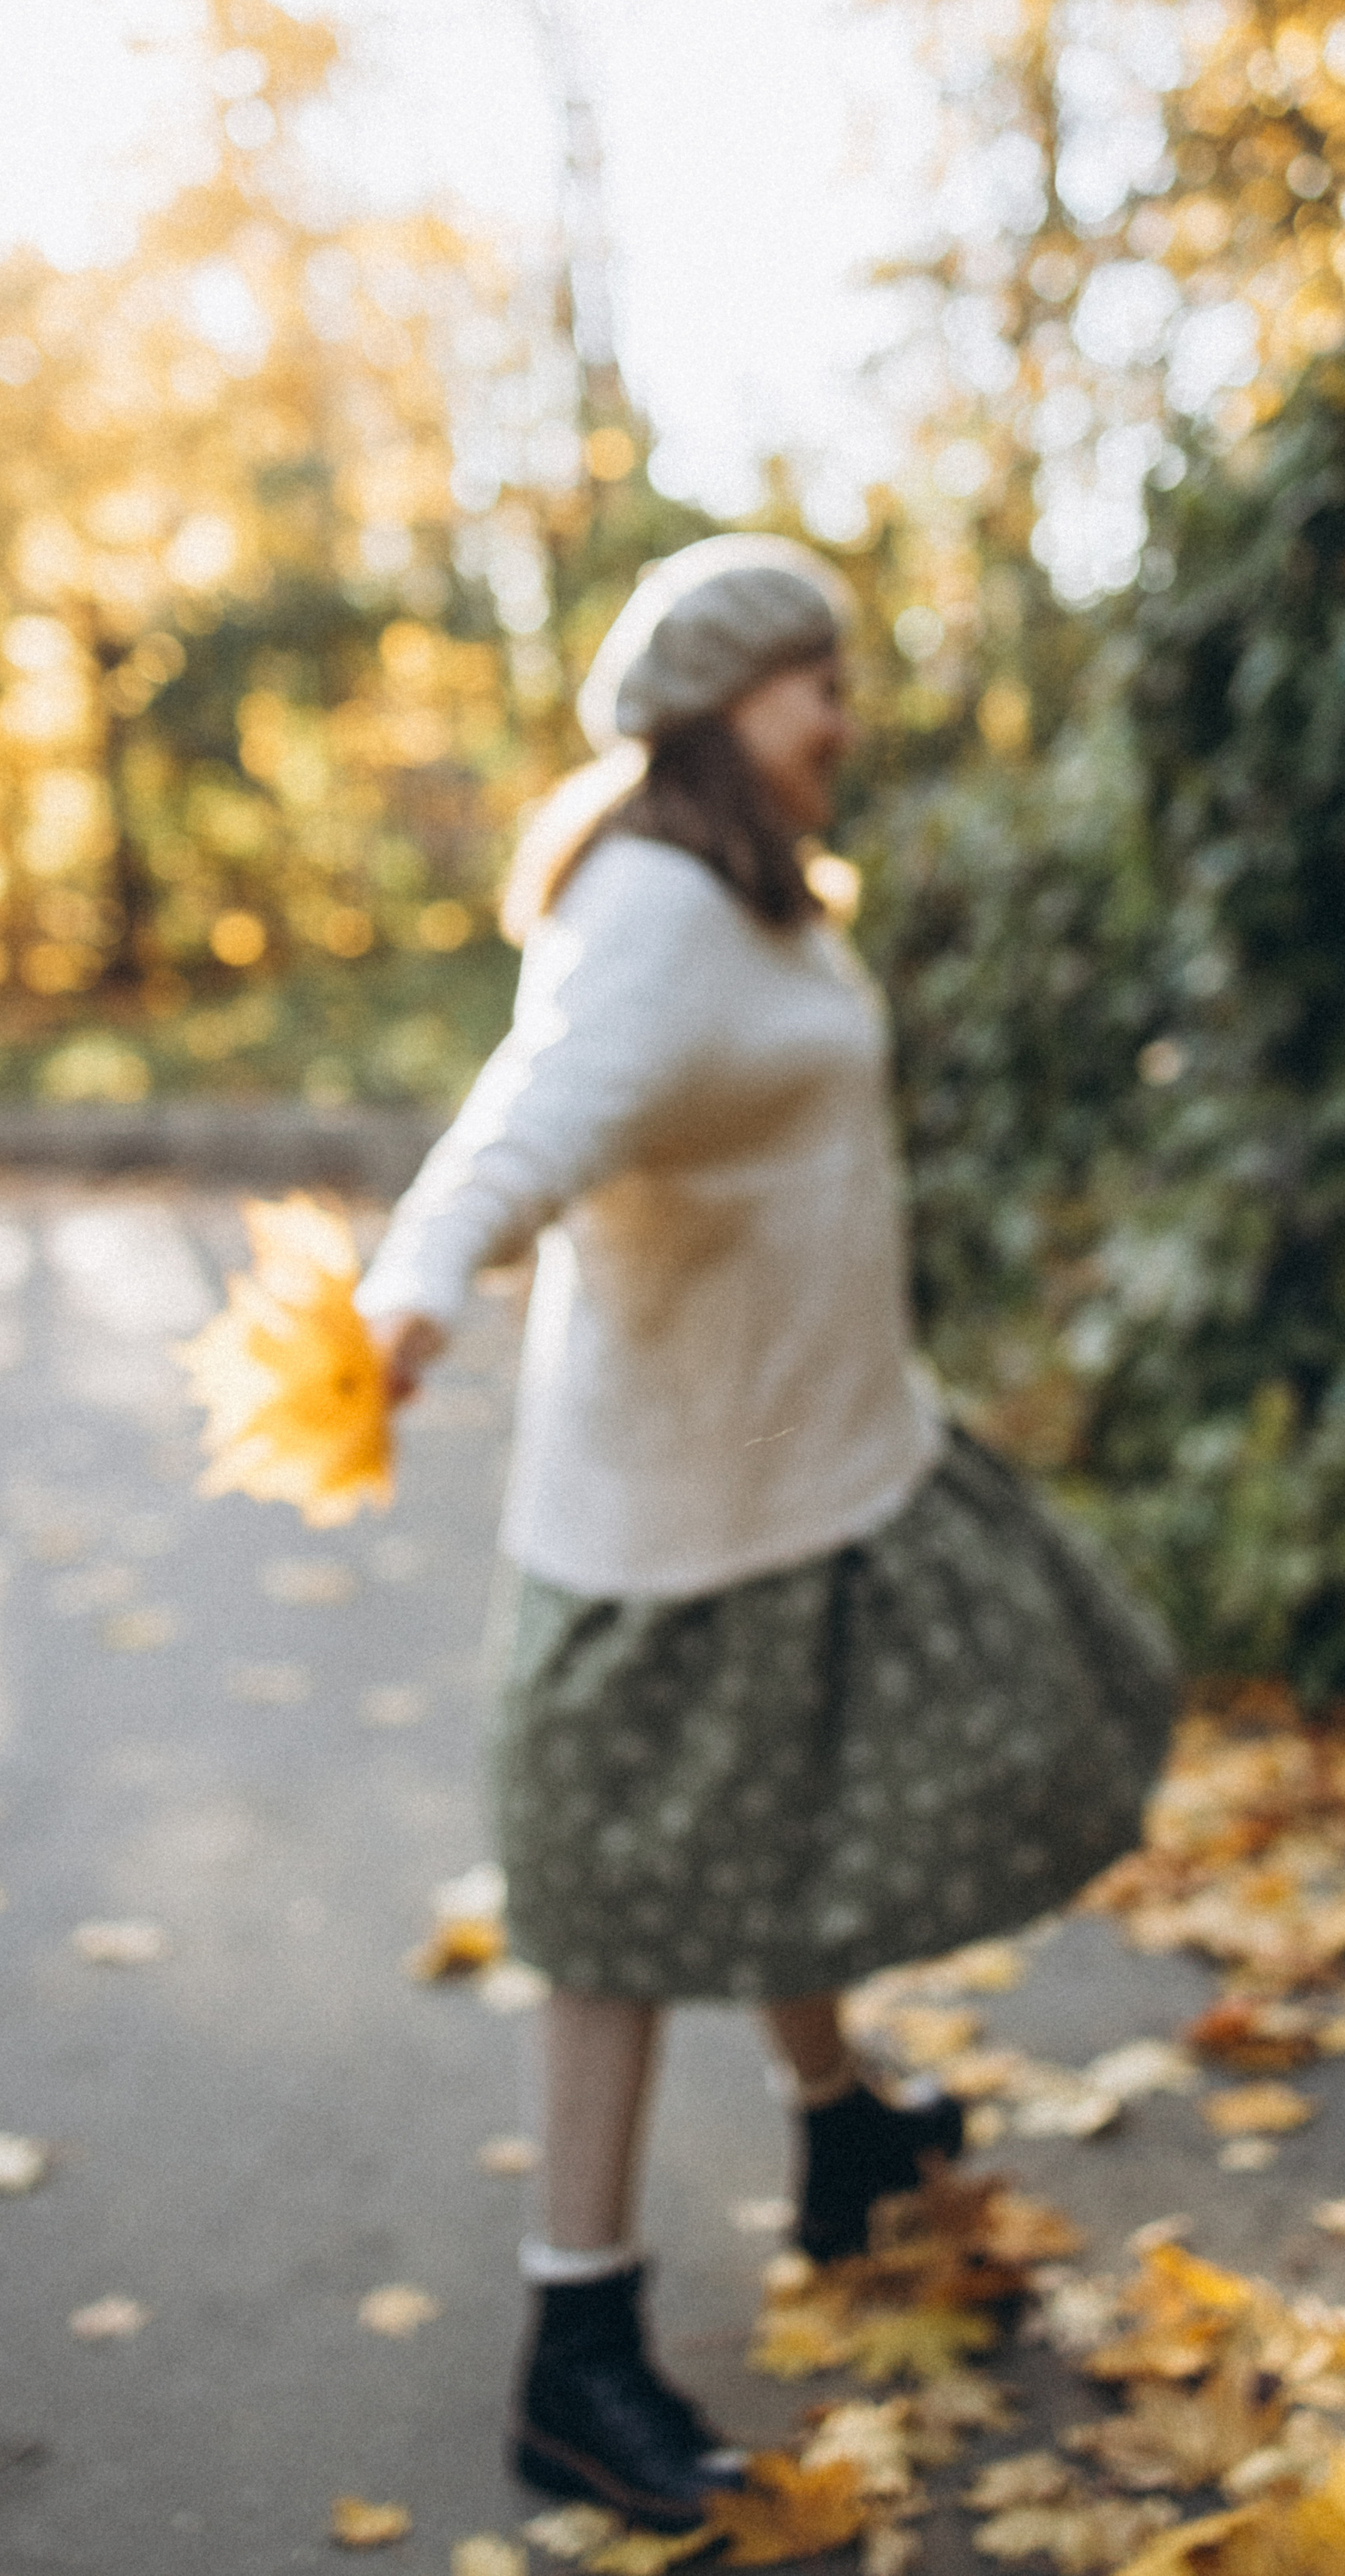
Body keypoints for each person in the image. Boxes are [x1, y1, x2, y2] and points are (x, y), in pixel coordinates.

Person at [357, 534, 1174, 2528]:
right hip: (669, 1520)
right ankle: (574, 2346)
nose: (844, 719)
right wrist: (410, 1288)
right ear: (729, 704)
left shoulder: (763, 901)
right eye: (817, 683)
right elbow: (522, 1121)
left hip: (826, 1457)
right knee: (612, 1930)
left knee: (789, 1817)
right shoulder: (645, 909)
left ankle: (839, 2130)